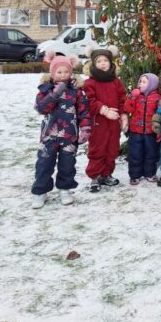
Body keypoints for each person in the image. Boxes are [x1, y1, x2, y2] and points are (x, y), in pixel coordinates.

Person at [31, 51, 92, 209]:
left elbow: (84, 111)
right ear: (52, 72)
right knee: (44, 163)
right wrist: (54, 94)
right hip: (49, 136)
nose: (63, 75)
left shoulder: (77, 91)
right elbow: (41, 108)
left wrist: (85, 128)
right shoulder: (45, 89)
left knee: (67, 164)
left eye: (66, 71)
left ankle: (65, 189)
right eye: (59, 72)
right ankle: (40, 192)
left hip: (69, 136)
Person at [82, 45, 126, 193]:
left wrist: (123, 115)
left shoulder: (116, 82)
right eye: (99, 61)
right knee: (98, 149)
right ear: (93, 64)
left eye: (105, 60)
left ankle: (106, 174)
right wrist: (104, 110)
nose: (102, 63)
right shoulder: (90, 83)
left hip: (113, 123)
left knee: (112, 149)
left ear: (110, 62)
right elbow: (90, 100)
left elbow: (122, 99)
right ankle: (94, 176)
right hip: (98, 123)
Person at [123, 72, 161, 184]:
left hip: (151, 132)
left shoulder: (157, 98)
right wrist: (132, 96)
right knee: (135, 153)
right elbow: (127, 108)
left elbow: (160, 115)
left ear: (152, 84)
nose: (140, 84)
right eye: (140, 81)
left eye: (144, 82)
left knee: (151, 153)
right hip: (136, 131)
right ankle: (135, 175)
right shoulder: (136, 96)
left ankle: (149, 173)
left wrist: (159, 131)